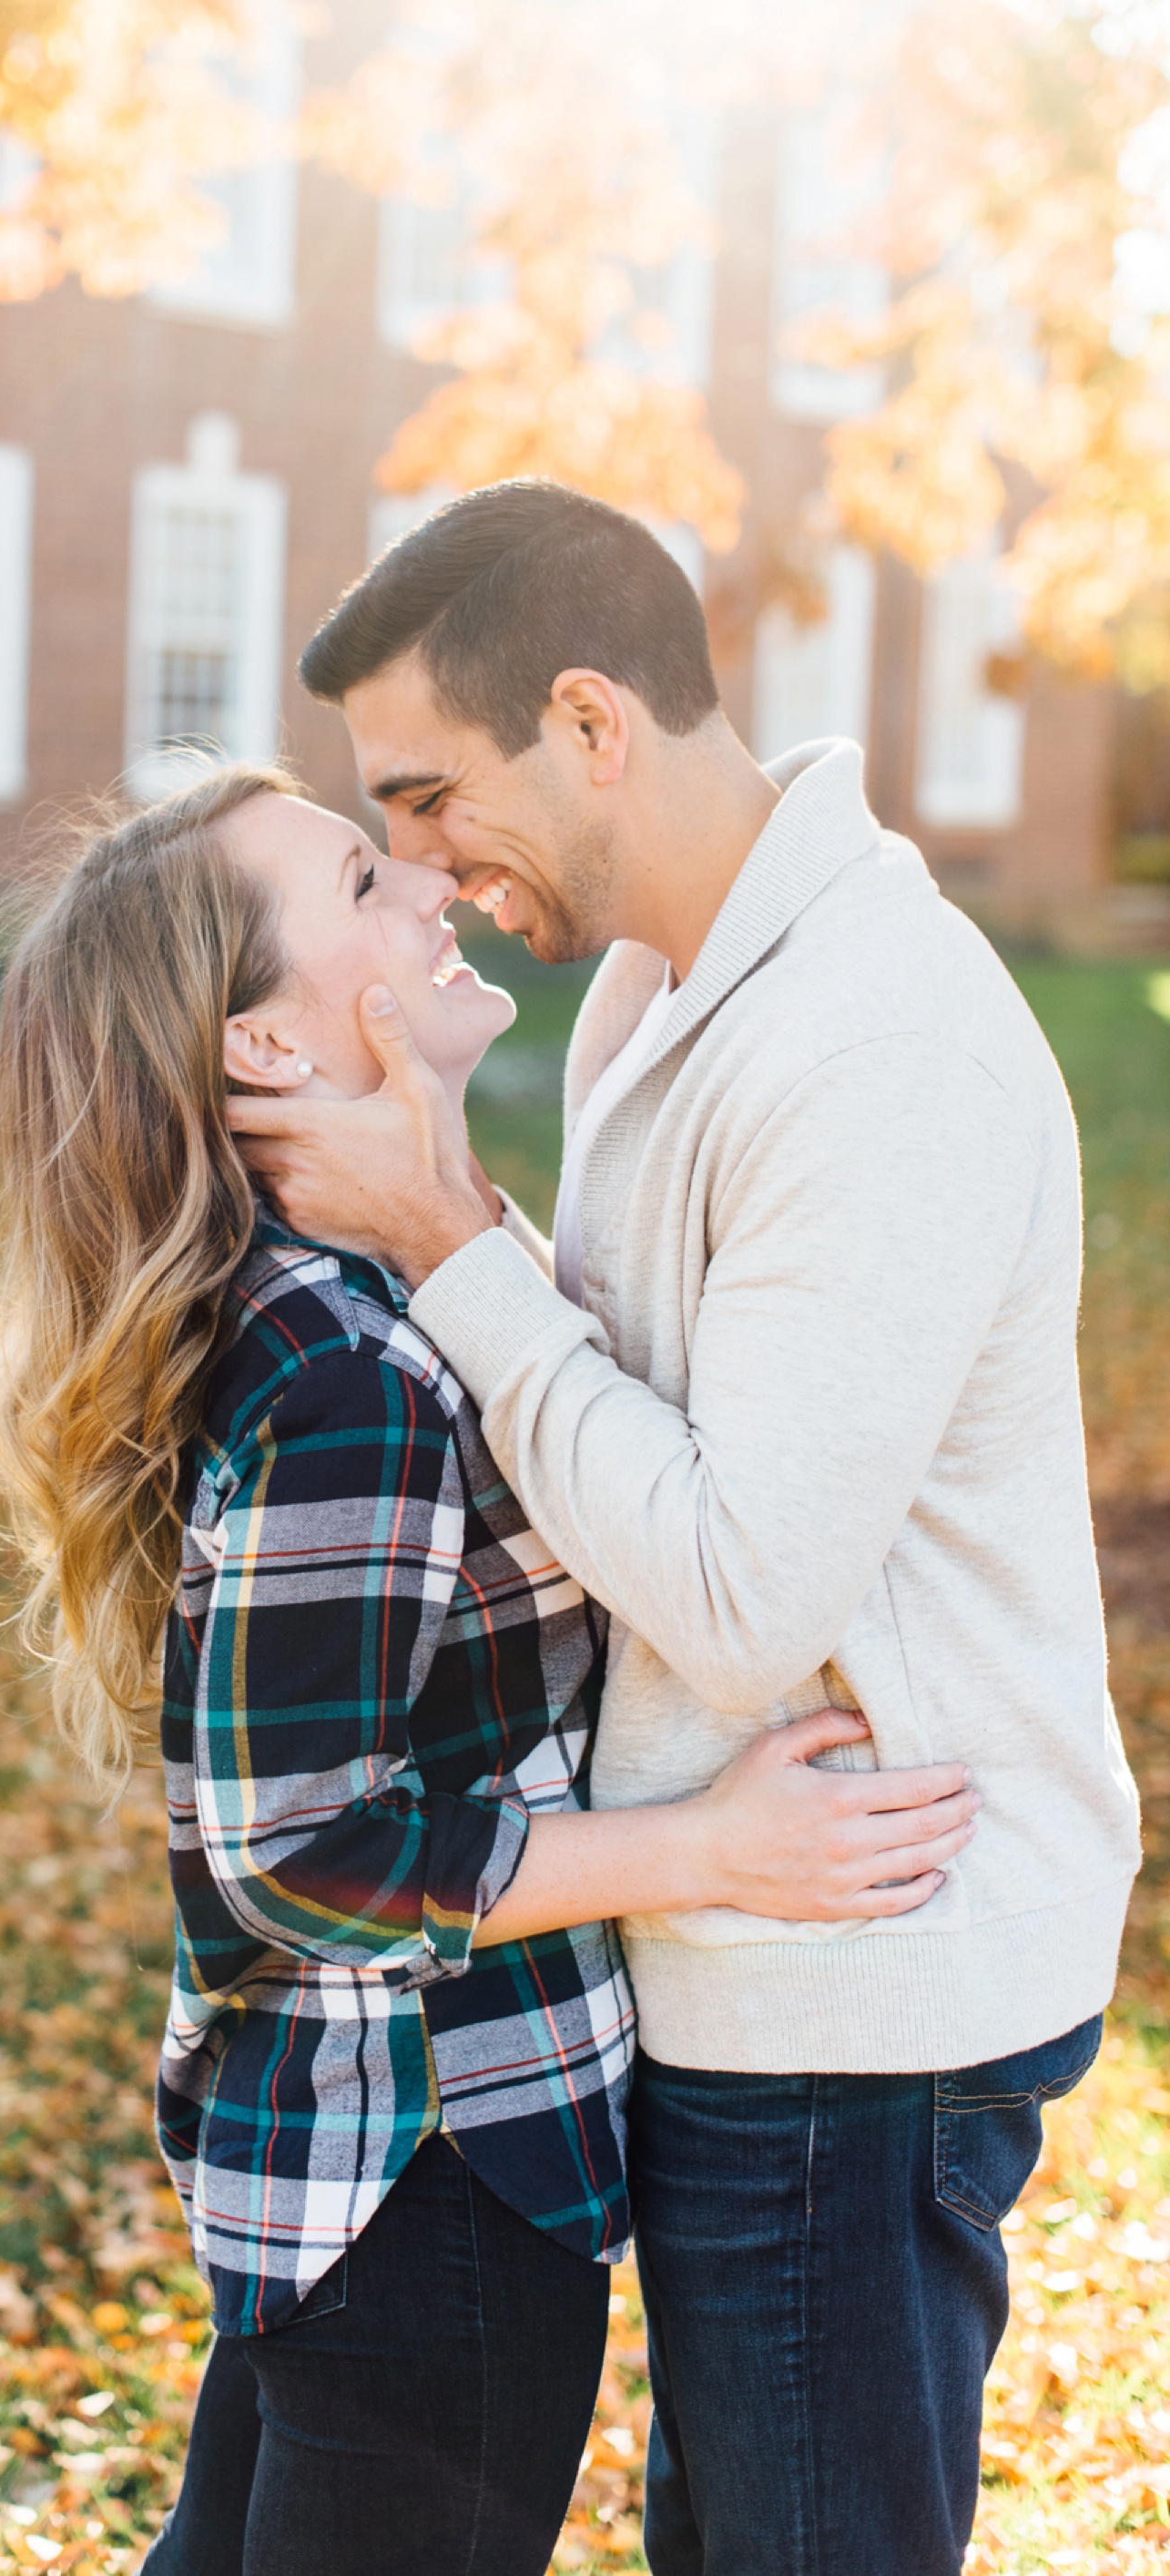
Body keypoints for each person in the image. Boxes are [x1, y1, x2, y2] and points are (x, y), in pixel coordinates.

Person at [228, 483, 1144, 2576]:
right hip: (756, 1953)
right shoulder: (670, 983)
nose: (431, 868)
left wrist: (449, 1239)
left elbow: (740, 1590)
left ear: (588, 718)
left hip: (859, 1979)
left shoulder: (870, 1032)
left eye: (433, 798)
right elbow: (648, 1406)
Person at [0, 762, 982, 2576]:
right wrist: (709, 1851)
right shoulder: (345, 1368)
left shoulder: (372, 1289)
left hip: (351, 2163)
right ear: (266, 1045)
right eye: (364, 877)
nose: (427, 881)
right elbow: (289, 1850)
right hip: (433, 2171)